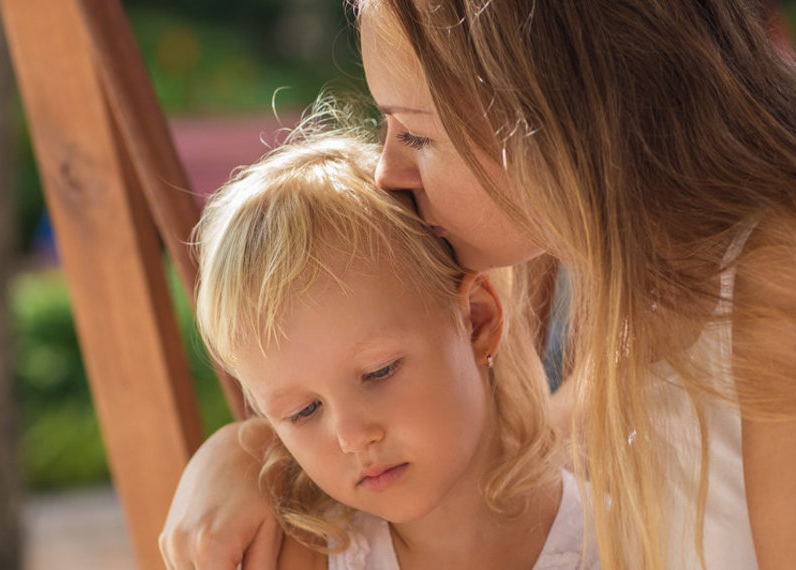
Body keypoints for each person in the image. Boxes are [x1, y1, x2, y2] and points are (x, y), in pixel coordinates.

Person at [162, 2, 796, 569]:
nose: (391, 172)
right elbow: (493, 464)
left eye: (416, 131)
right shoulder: (647, 281)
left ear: (553, 126)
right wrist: (249, 451)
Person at [186, 116, 599, 569]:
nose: (352, 437)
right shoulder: (304, 558)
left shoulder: (621, 537)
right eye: (303, 411)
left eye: (379, 371)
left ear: (476, 320)